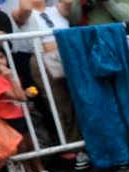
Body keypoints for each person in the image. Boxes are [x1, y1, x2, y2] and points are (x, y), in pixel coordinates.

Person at [0, 43, 58, 172]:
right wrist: (11, 79)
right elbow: (20, 97)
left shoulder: (3, 75)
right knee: (21, 147)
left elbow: (19, 94)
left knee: (30, 144)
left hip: (19, 114)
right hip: (8, 118)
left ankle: (41, 170)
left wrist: (25, 92)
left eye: (1, 57)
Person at [11, 0, 78, 148]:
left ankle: (87, 140)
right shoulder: (21, 12)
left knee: (79, 98)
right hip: (43, 59)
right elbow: (25, 8)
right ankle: (73, 145)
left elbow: (68, 2)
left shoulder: (58, 9)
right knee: (60, 103)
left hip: (68, 57)